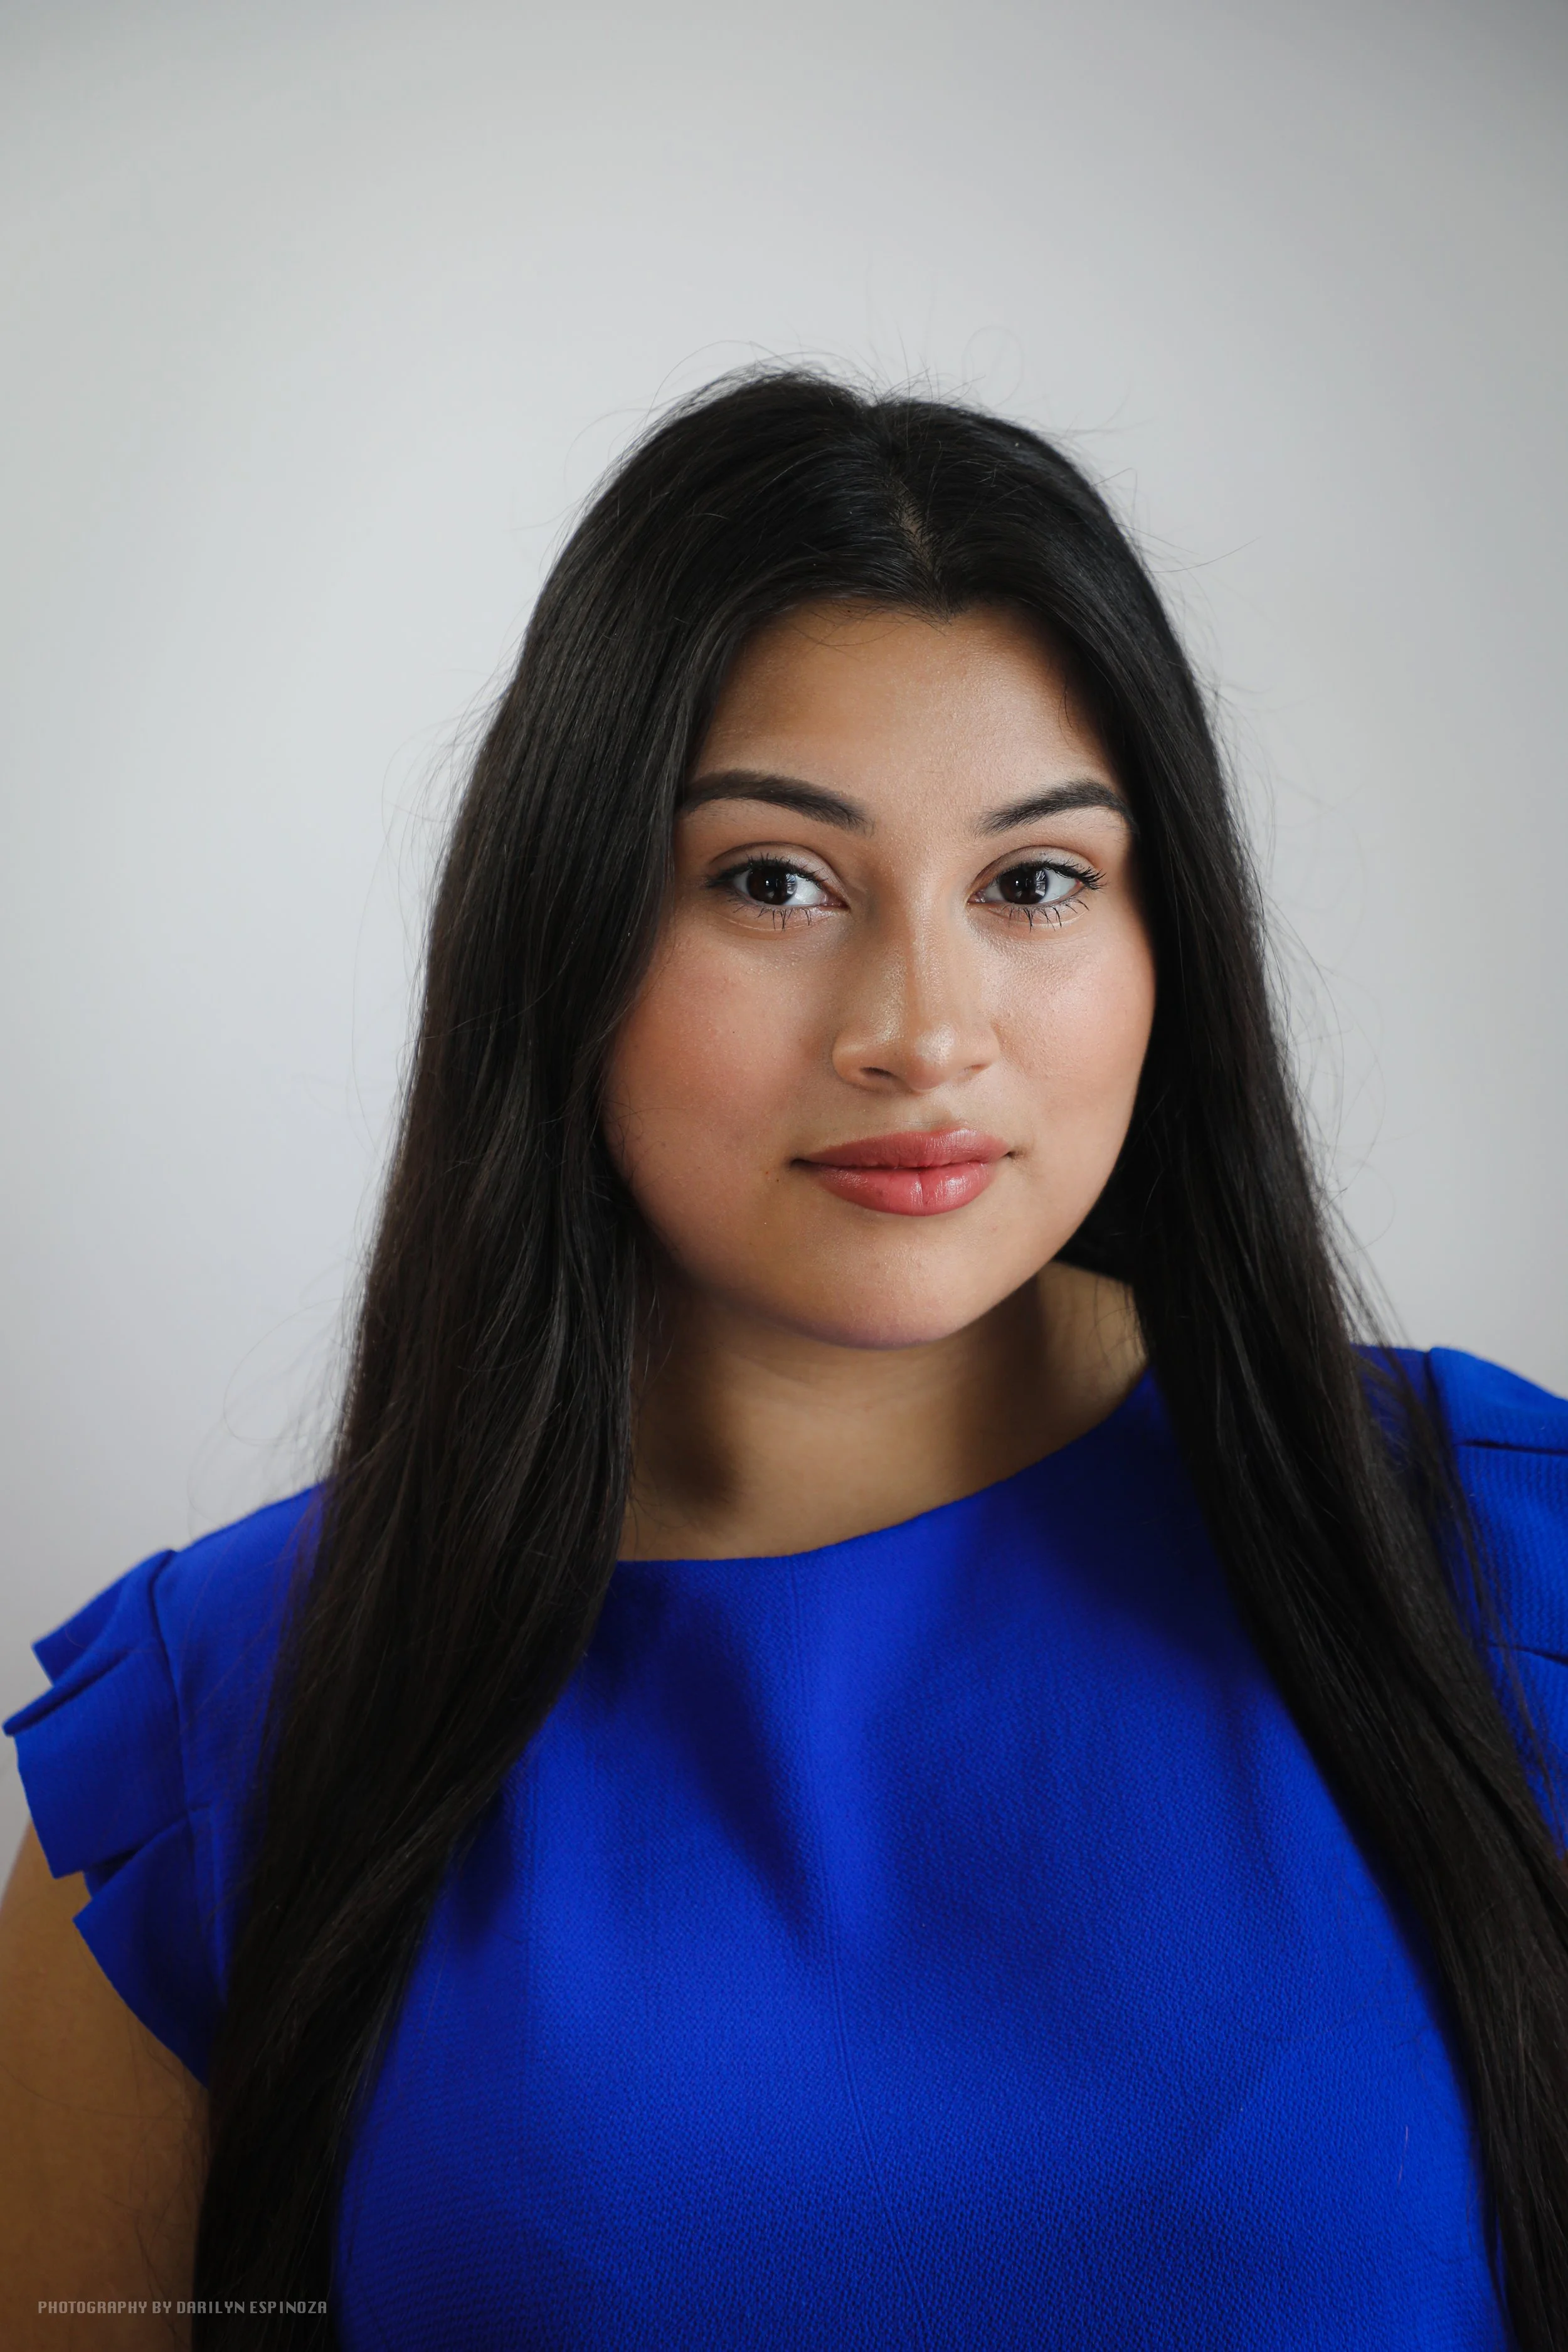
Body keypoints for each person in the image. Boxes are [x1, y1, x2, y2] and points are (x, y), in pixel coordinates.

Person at [2, 369, 1565, 2352]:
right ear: (562, 927)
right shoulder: (213, 1743)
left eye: (1034, 882)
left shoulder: (1498, 1566)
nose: (923, 1029)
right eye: (773, 880)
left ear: (1168, 940)